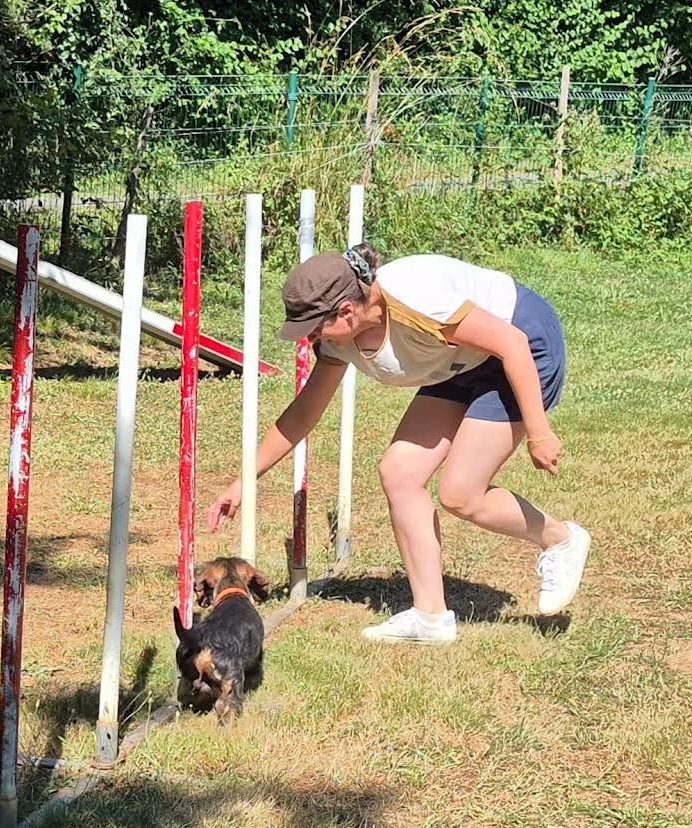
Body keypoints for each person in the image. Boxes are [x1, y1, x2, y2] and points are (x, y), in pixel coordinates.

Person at [206, 243, 591, 644]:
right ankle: (430, 617)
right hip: (457, 358)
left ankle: (560, 539)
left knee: (461, 492)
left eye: (314, 328)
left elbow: (511, 344)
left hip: (520, 342)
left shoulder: (418, 300)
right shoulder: (339, 340)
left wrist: (539, 432)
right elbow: (305, 412)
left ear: (347, 311)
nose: (310, 340)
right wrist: (242, 481)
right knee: (400, 472)